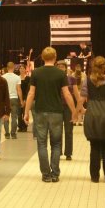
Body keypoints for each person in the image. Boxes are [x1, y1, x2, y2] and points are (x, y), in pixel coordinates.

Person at [24, 47, 77, 183]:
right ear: (55, 57)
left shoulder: (36, 73)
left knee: (41, 144)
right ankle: (55, 174)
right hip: (56, 112)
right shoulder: (60, 74)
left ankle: (45, 174)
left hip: (40, 112)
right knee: (56, 144)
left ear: (42, 57)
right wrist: (74, 111)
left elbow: (31, 94)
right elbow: (66, 94)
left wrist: (26, 112)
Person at [76, 56, 105, 183]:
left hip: (92, 114)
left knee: (94, 147)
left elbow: (81, 99)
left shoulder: (87, 81)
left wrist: (79, 111)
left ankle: (94, 176)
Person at [56, 60, 80, 161]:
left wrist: (79, 107)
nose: (61, 68)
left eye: (62, 67)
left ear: (66, 68)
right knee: (57, 131)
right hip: (57, 107)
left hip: (69, 107)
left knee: (68, 130)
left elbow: (76, 93)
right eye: (59, 67)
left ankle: (68, 153)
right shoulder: (55, 79)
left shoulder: (72, 79)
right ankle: (58, 151)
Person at [2, 62, 23, 139]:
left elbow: (1, 90)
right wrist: (21, 100)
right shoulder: (17, 77)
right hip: (14, 98)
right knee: (14, 117)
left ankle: (7, 134)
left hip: (5, 99)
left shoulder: (3, 77)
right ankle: (13, 134)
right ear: (14, 68)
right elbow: (19, 89)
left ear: (7, 68)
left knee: (5, 116)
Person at [17, 64, 30, 132]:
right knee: (19, 113)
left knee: (25, 113)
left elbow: (29, 89)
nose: (21, 69)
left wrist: (25, 99)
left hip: (26, 97)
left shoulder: (28, 78)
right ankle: (20, 126)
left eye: (23, 68)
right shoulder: (17, 78)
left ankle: (25, 126)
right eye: (20, 68)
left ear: (25, 70)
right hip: (18, 97)